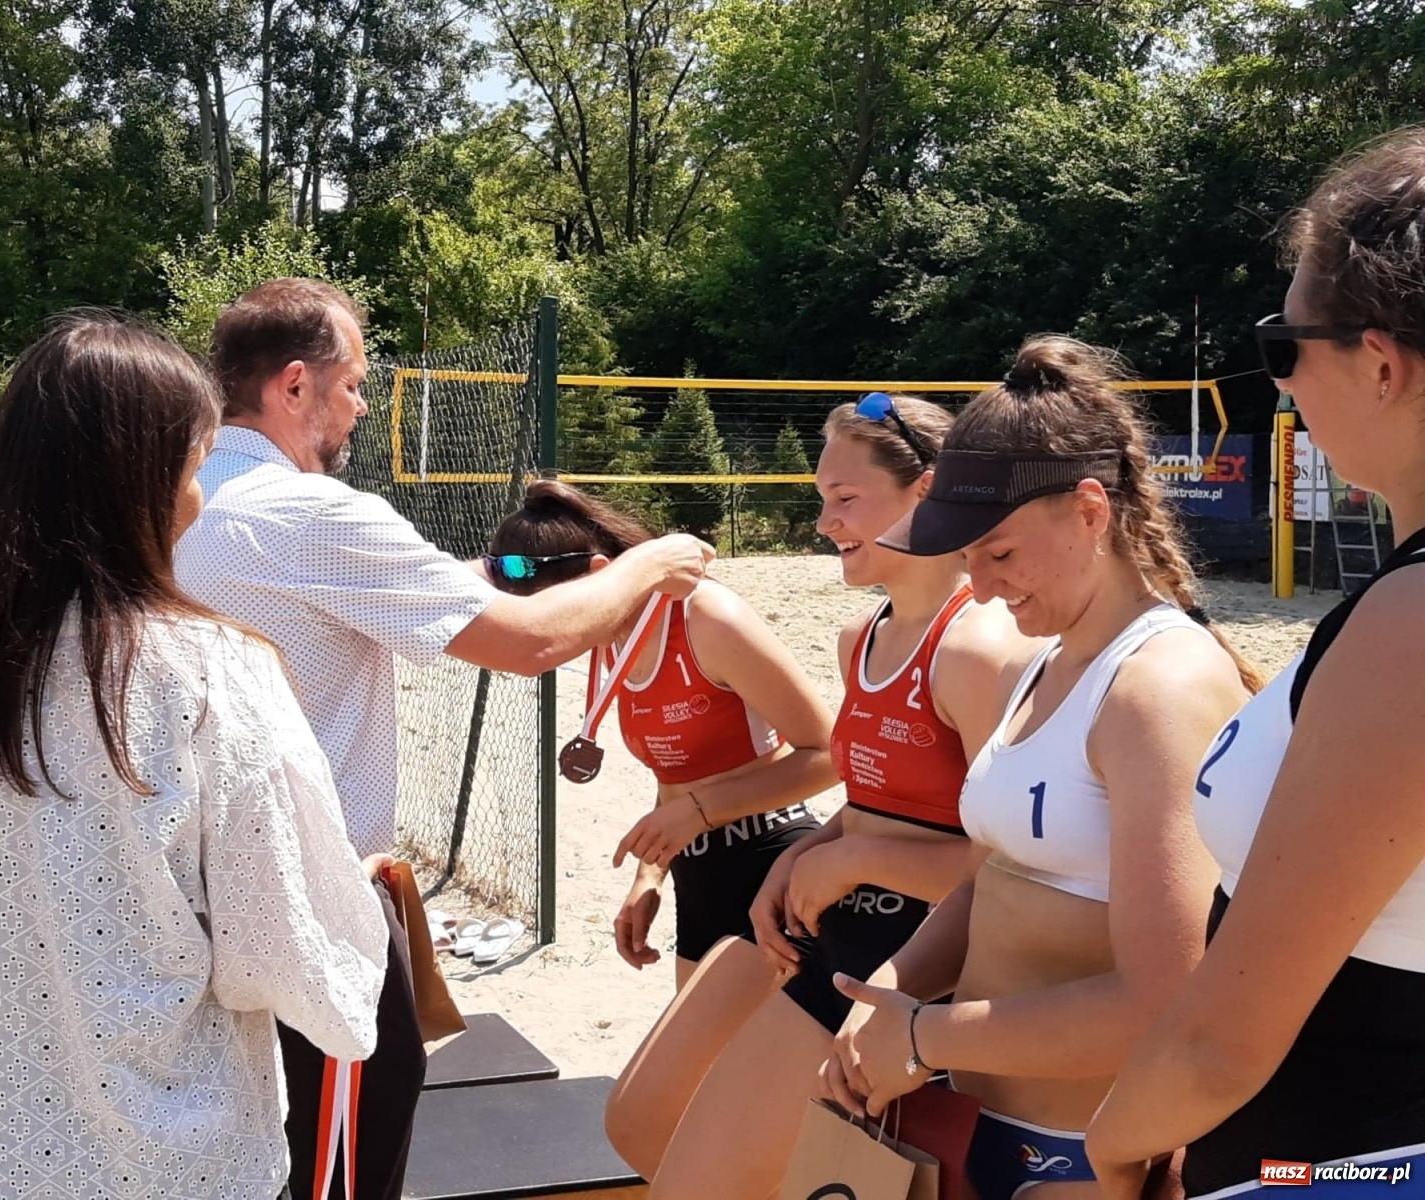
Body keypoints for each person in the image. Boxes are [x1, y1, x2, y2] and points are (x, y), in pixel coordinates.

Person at [0, 314, 390, 1200]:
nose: (199, 501)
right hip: (171, 1169)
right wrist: (358, 900)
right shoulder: (212, 674)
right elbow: (287, 962)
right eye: (195, 470)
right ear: (145, 484)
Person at [172, 278, 713, 1200]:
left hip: (203, 907)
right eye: (353, 386)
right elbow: (533, 643)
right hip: (317, 916)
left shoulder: (179, 502)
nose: (361, 407)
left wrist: (495, 575)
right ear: (294, 386)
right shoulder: (311, 514)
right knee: (343, 1171)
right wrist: (652, 561)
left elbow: (361, 597)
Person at [821, 337, 1260, 1200]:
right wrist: (891, 990)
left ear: (1090, 511)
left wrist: (922, 1039)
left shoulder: (1159, 685)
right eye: (967, 558)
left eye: (1001, 554)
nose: (980, 589)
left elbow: (1164, 996)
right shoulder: (1048, 663)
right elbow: (996, 877)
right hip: (980, 1117)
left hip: (1081, 1148)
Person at [1087, 128, 1425, 1198]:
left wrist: (1110, 1146)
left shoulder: (1409, 627)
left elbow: (1218, 1044)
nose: (1278, 381)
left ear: (1380, 362)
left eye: (1283, 343)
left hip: (1336, 1162)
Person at [604, 395, 1037, 1199]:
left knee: (720, 1178)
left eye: (845, 499)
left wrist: (856, 858)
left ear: (926, 491)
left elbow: (1015, 875)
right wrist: (807, 853)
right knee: (643, 1124)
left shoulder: (978, 648)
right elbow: (875, 800)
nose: (824, 521)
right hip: (830, 942)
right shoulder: (861, 638)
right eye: (821, 499)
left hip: (922, 971)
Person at [486, 479, 837, 986]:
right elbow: (678, 772)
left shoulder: (706, 616)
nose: (550, 637)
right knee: (704, 1067)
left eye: (554, 616)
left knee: (758, 1062)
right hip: (697, 869)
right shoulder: (613, 634)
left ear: (601, 575)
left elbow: (829, 753)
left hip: (770, 861)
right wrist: (650, 874)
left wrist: (697, 813)